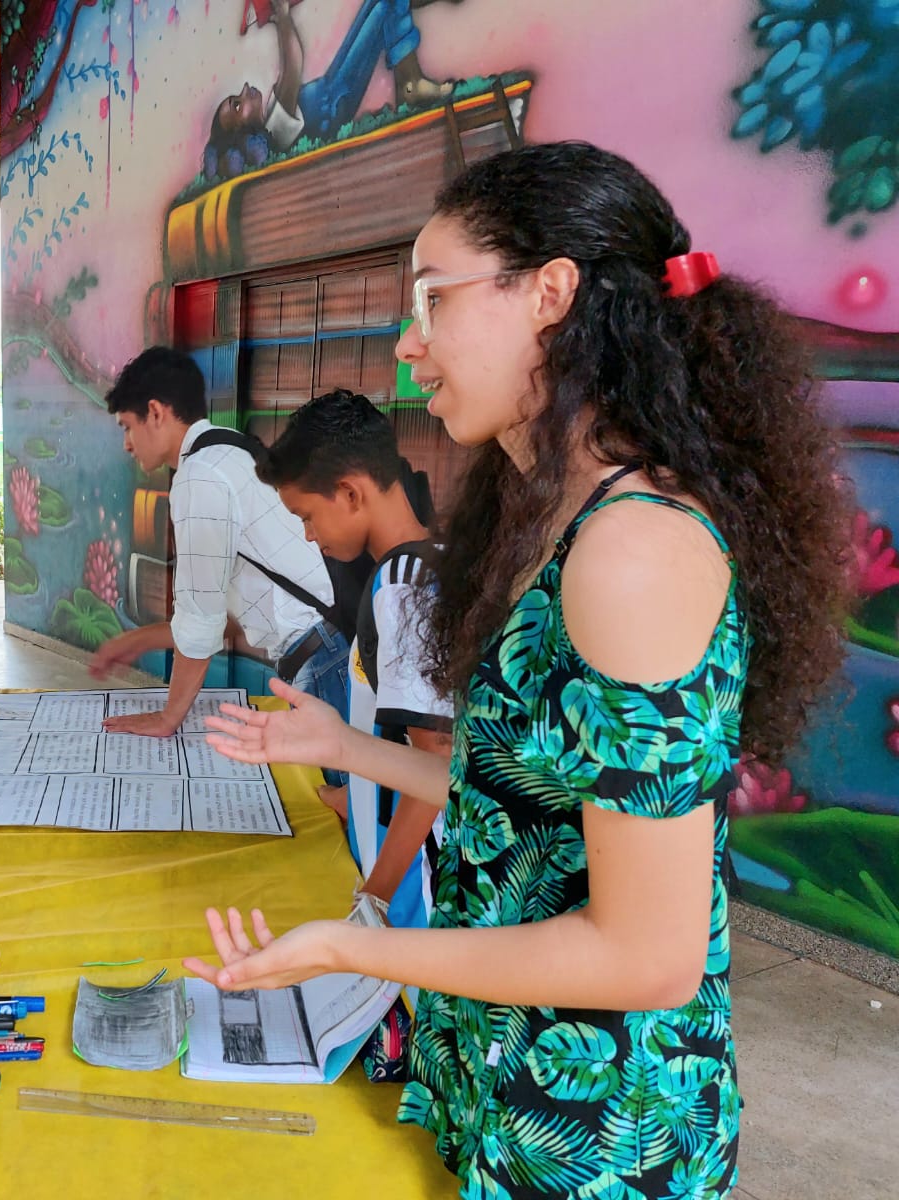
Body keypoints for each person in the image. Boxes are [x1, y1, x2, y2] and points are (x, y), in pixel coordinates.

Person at [187, 142, 850, 1198]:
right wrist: (346, 747)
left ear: (549, 295)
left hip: (595, 1138)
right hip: (508, 1083)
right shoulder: (548, 520)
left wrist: (355, 949)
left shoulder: (630, 551)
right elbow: (535, 808)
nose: (410, 345)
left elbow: (650, 956)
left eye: (433, 301)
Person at [261, 389, 452, 932]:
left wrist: (375, 896)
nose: (308, 534)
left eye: (307, 515)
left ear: (349, 493)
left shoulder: (399, 586)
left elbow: (434, 760)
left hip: (417, 881)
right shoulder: (430, 562)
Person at [89, 346, 350, 742]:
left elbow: (201, 618)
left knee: (341, 798)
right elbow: (227, 612)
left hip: (324, 662)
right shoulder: (233, 449)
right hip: (332, 651)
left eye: (126, 425)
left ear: (156, 412)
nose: (126, 443)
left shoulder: (200, 475)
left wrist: (167, 719)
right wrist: (139, 640)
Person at [205, 0, 452, 182]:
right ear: (241, 132)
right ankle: (410, 84)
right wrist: (283, 18)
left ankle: (410, 83)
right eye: (237, 105)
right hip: (337, 98)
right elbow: (293, 65)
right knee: (383, 7)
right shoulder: (275, 129)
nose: (245, 89)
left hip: (333, 86)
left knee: (381, 4)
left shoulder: (273, 116)